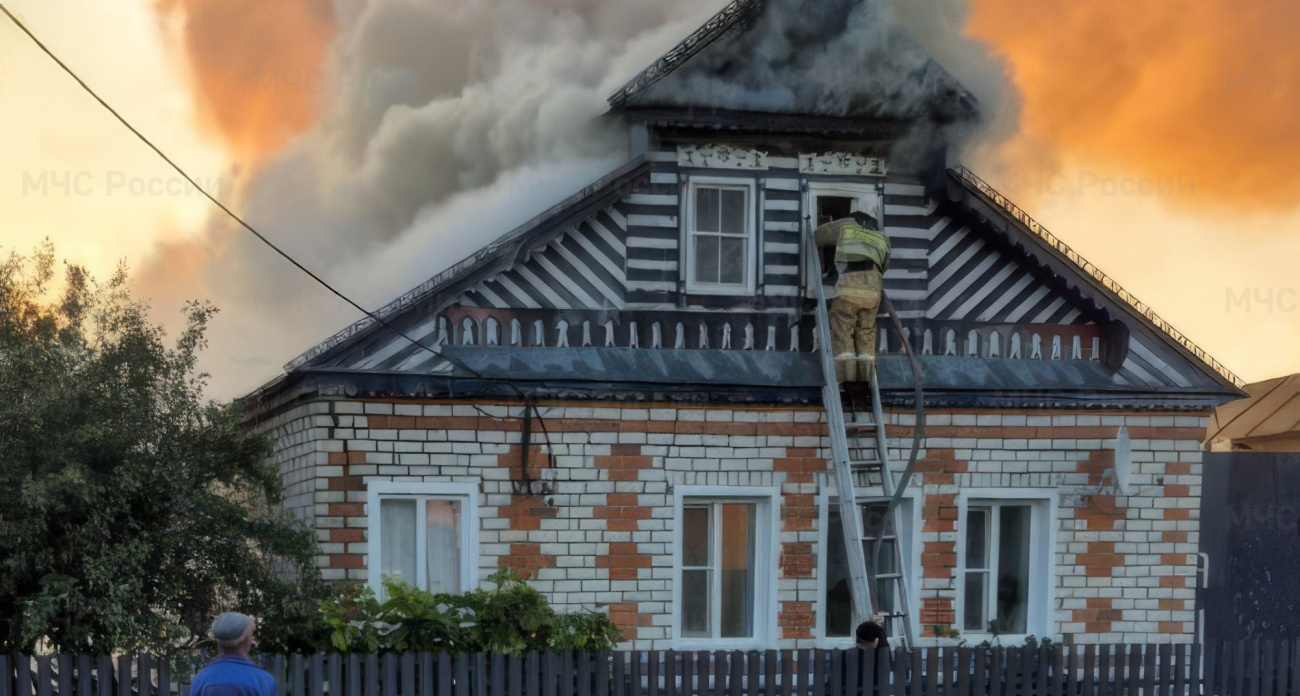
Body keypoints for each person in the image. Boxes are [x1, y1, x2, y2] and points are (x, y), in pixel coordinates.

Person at [813, 211, 891, 382]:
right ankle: (866, 379)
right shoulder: (882, 238)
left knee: (842, 329)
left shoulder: (845, 228)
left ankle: (847, 379)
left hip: (850, 286)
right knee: (866, 331)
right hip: (873, 288)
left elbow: (818, 236)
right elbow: (884, 266)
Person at [189, 613, 277, 696]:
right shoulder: (263, 681)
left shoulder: (200, 680)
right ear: (246, 641)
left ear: (217, 640)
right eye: (251, 636)